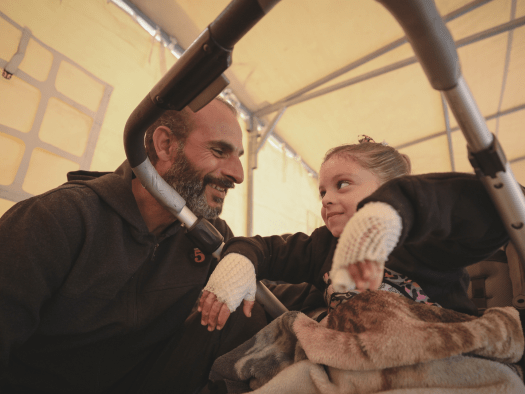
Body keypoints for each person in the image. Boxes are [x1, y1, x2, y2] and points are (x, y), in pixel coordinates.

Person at [0, 97, 261, 394]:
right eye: (218, 151)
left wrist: (250, 255)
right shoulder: (57, 219)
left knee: (256, 311)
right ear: (165, 146)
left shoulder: (208, 235)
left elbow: (278, 269)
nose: (238, 174)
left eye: (238, 156)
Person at [199, 136, 511, 332]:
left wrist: (385, 214)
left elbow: (494, 207)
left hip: (440, 350)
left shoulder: (427, 238)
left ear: (395, 186)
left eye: (343, 184)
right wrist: (237, 264)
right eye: (322, 191)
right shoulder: (323, 245)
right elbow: (266, 249)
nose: (326, 199)